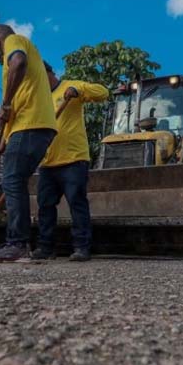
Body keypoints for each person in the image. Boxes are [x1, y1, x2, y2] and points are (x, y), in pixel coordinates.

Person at [0, 24, 57, 263]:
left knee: (12, 180)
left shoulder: (12, 42)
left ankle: (17, 244)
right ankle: (19, 243)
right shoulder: (16, 76)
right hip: (30, 127)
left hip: (31, 124)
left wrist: (4, 103)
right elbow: (12, 117)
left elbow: (18, 62)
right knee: (15, 180)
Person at [32, 62, 109, 261]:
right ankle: (46, 248)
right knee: (45, 206)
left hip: (74, 160)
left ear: (49, 72)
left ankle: (82, 248)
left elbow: (103, 92)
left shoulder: (71, 86)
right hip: (48, 163)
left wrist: (77, 90)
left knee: (77, 203)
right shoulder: (39, 99)